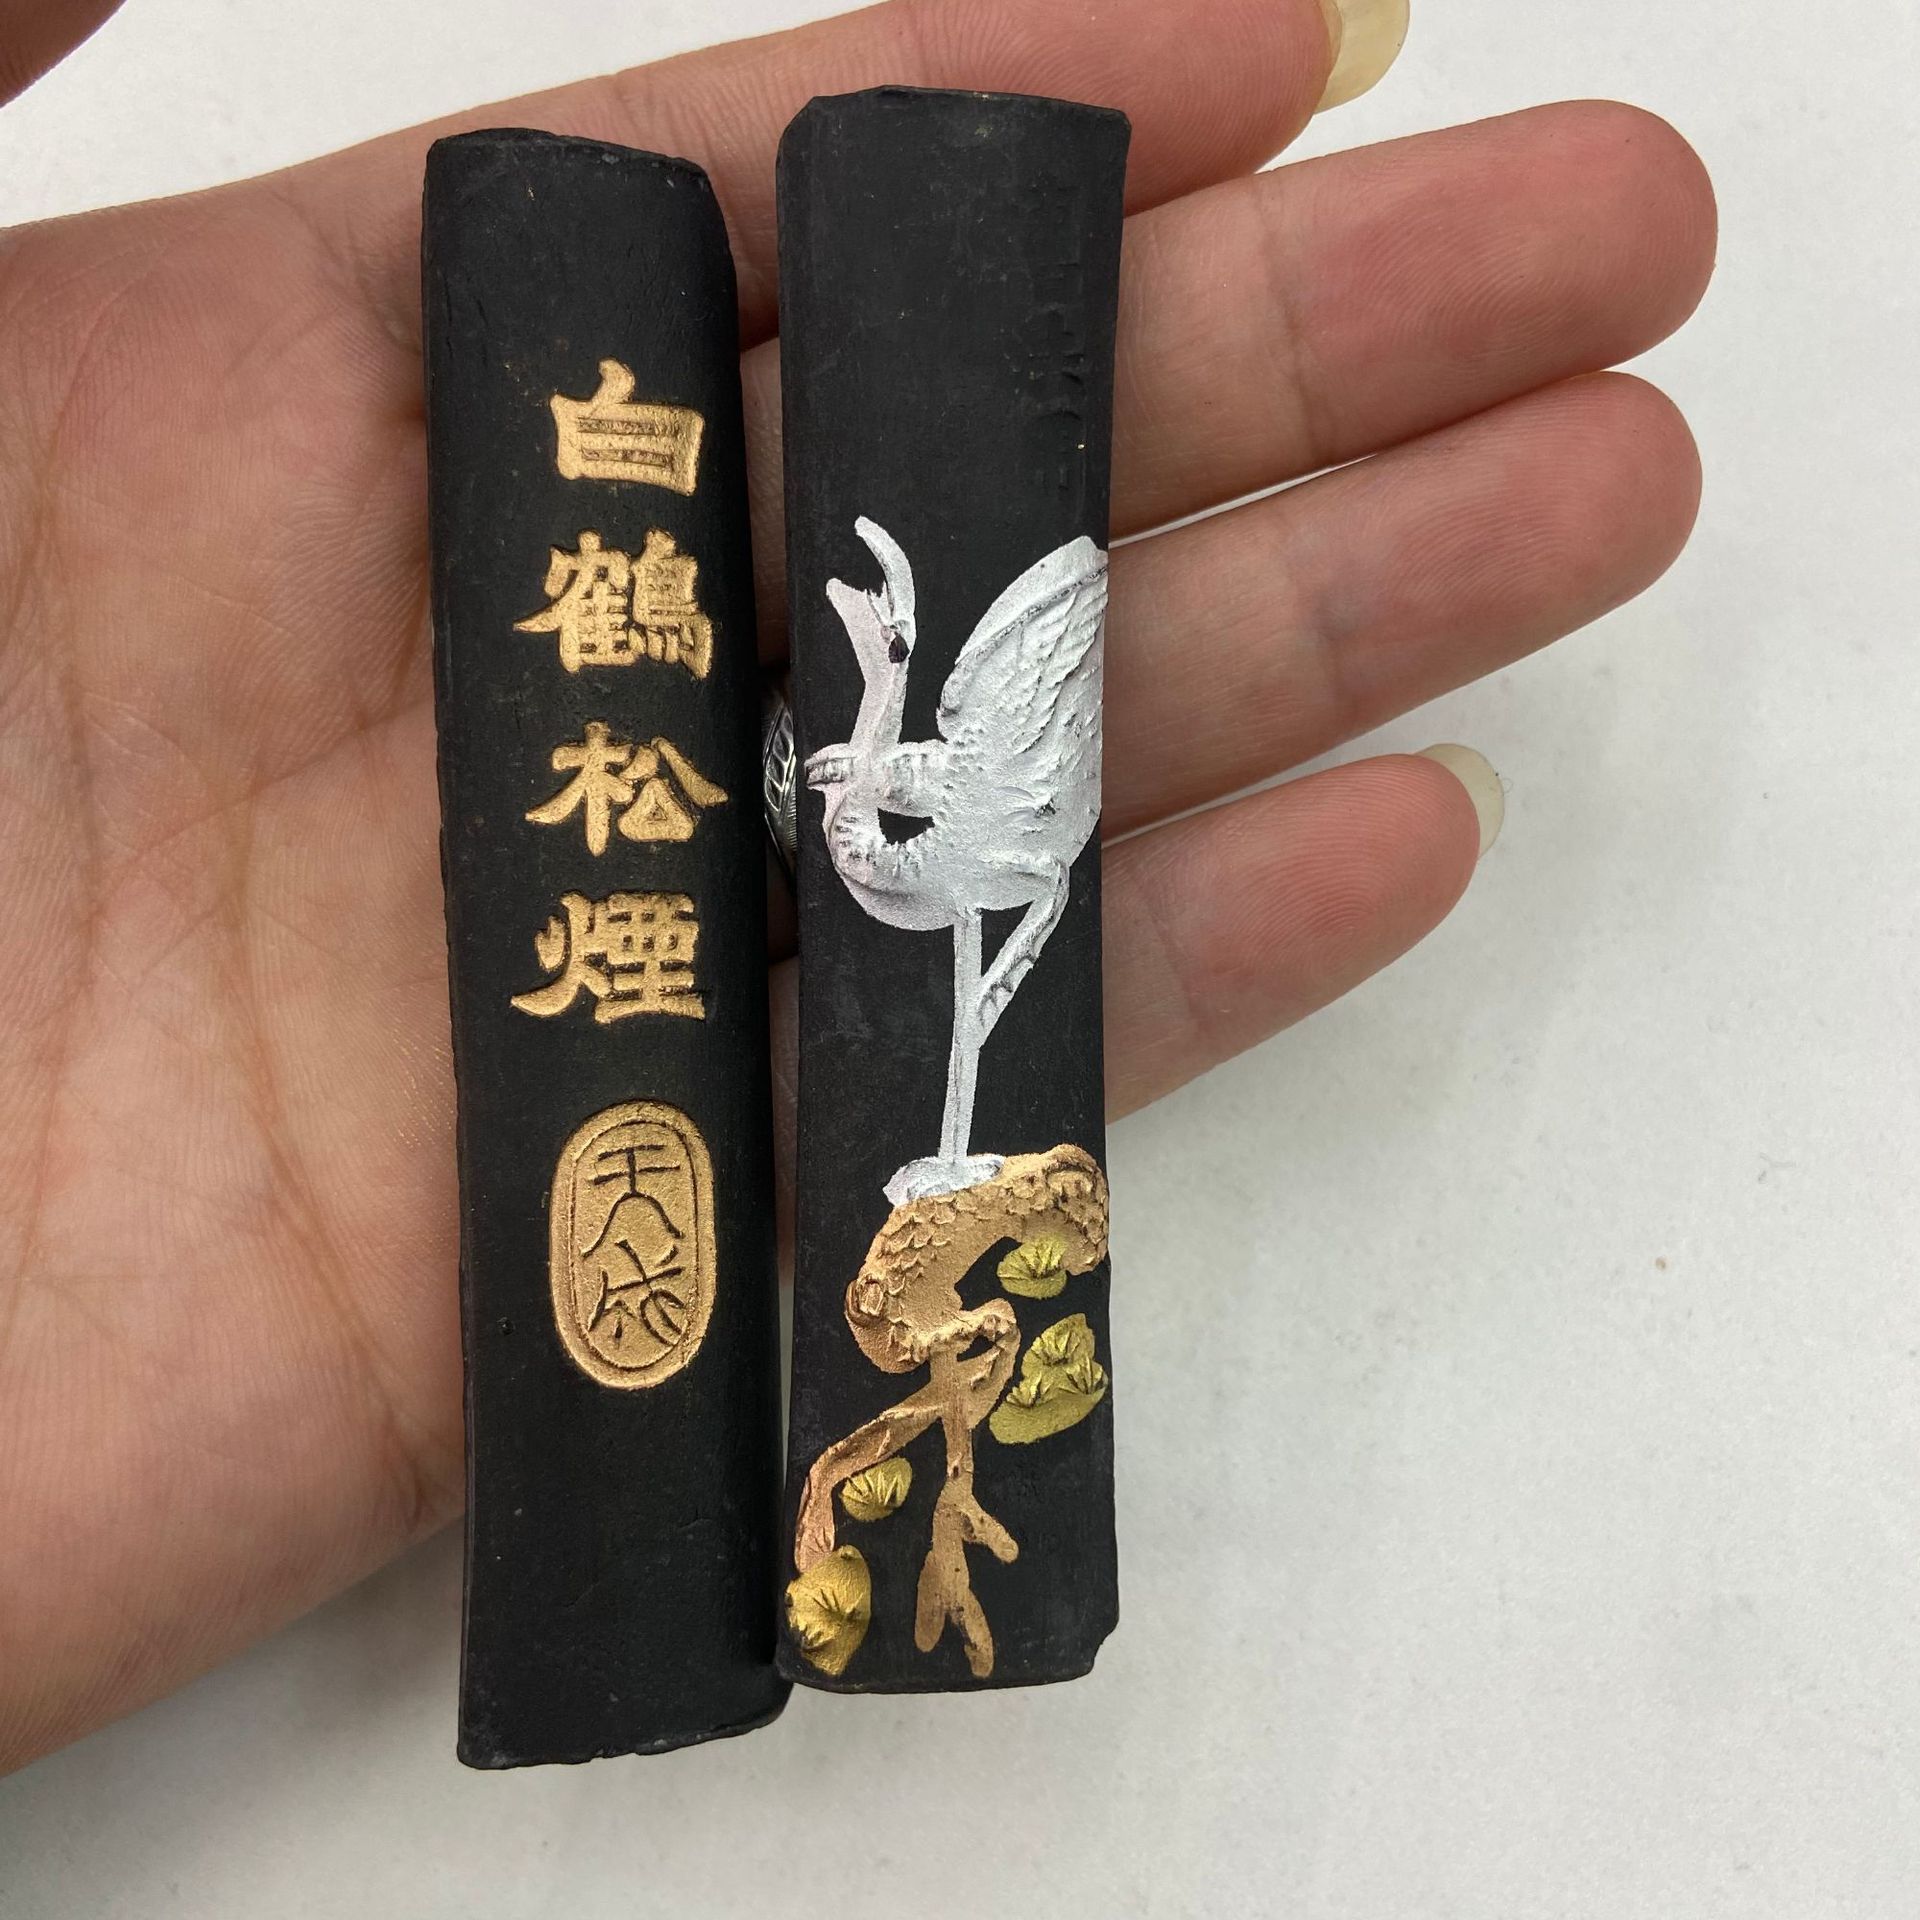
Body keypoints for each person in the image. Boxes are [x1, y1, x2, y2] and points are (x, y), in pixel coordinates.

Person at [0, 0, 1715, 1773]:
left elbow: (939, 806)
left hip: (970, 868)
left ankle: (913, 1473)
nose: (848, 754)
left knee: (951, 950)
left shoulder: (942, 761)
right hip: (862, 902)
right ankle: (829, 1520)